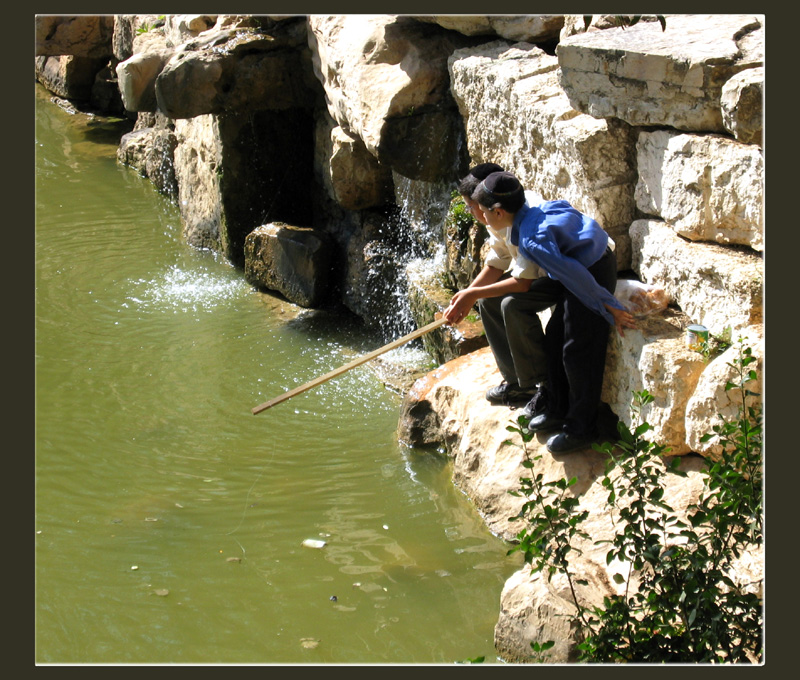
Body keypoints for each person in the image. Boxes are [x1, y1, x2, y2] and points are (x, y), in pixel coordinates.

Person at [471, 171, 636, 454]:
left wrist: (610, 307)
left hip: (592, 269)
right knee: (554, 337)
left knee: (577, 350)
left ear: (498, 212)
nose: (480, 216)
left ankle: (582, 429)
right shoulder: (532, 211)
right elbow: (567, 211)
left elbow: (577, 278)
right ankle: (558, 408)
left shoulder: (532, 240)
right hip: (581, 264)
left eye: (483, 212)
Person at [443, 164, 563, 413]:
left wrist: (472, 294)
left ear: (488, 202)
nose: (472, 212)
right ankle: (518, 383)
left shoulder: (523, 216)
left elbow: (523, 281)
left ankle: (542, 386)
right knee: (488, 301)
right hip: (534, 275)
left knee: (511, 304)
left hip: (559, 278)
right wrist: (464, 298)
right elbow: (498, 261)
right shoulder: (493, 215)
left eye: (472, 206)